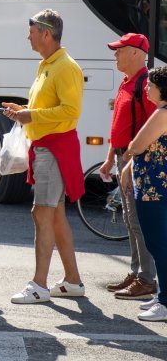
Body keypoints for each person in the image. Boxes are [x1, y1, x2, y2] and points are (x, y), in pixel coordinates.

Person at [4, 10, 85, 305]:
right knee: (55, 214)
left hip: (54, 150)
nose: (28, 36)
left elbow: (70, 112)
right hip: (48, 148)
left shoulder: (64, 67)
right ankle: (72, 281)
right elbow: (52, 107)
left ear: (46, 34)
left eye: (32, 31)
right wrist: (23, 110)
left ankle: (39, 285)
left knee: (42, 213)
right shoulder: (49, 64)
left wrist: (30, 114)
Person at [100, 33, 157, 300]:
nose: (115, 54)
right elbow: (119, 127)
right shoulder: (128, 82)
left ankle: (146, 279)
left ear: (136, 52)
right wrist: (111, 157)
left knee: (138, 221)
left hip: (137, 159)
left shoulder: (145, 85)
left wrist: (130, 162)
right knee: (130, 220)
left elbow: (150, 130)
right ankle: (137, 274)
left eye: (120, 50)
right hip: (125, 157)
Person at [119, 66, 167, 322]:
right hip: (156, 187)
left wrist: (128, 154)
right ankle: (162, 294)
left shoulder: (162, 113)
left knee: (158, 245)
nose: (146, 88)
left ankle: (165, 301)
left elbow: (137, 144)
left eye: (151, 85)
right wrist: (129, 164)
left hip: (155, 189)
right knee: (160, 244)